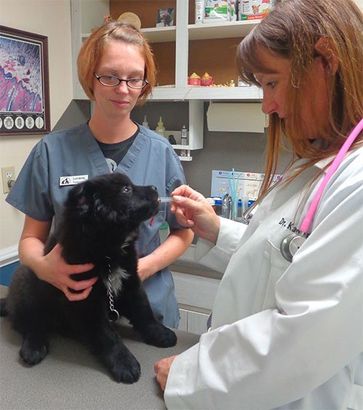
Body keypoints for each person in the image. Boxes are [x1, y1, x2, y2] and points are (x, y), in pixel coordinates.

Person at [154, 0, 363, 408]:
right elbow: (289, 255)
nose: (267, 106)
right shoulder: (319, 165)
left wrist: (189, 374)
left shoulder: (355, 182)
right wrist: (214, 229)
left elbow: (302, 339)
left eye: (271, 82)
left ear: (326, 59)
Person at [6, 21, 193, 328]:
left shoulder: (161, 153)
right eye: (110, 76)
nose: (123, 89)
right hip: (77, 316)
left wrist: (139, 269)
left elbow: (183, 232)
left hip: (145, 314)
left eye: (135, 79)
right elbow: (30, 238)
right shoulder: (51, 152)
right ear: (89, 77)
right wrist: (43, 266)